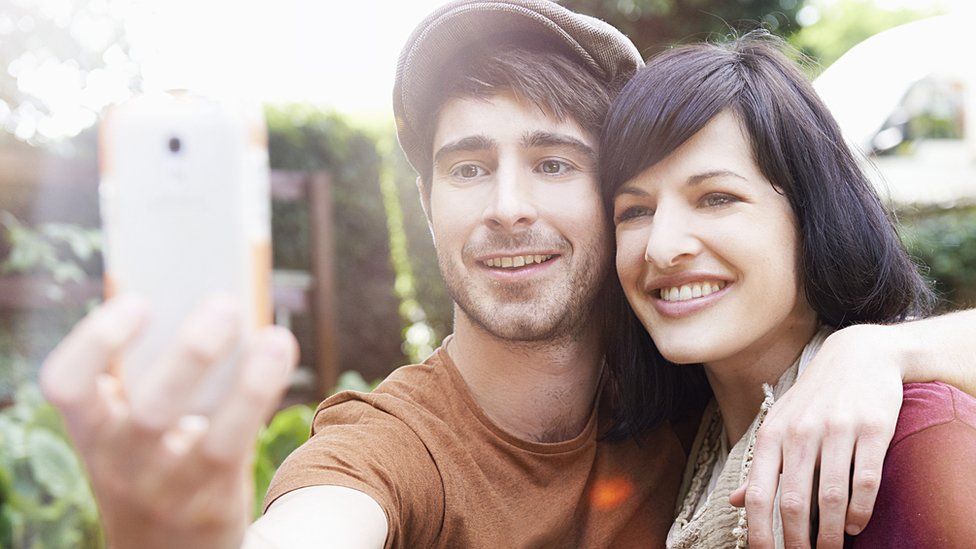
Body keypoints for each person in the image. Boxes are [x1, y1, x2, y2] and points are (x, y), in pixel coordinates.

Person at [36, 1, 976, 548]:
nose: (507, 206)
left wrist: (875, 351)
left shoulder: (723, 394)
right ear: (426, 199)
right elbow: (321, 518)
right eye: (469, 166)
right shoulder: (387, 444)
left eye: (556, 162)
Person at [602, 34, 976, 548]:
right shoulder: (676, 444)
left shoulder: (912, 440)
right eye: (635, 211)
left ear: (812, 215)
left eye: (715, 197)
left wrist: (876, 348)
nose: (662, 248)